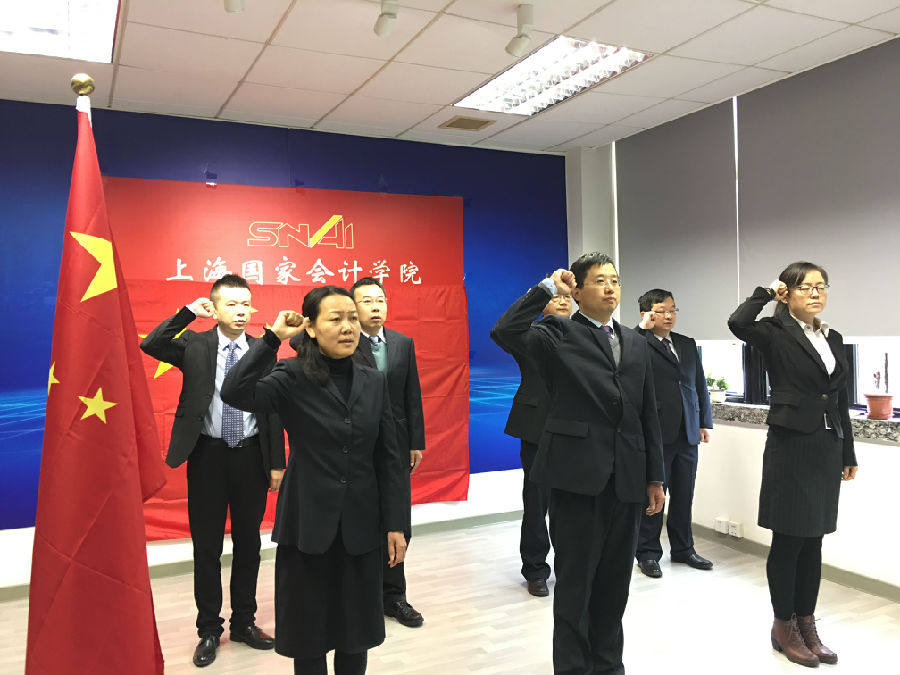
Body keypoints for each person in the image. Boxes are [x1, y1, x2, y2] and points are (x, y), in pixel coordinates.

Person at [492, 252, 665, 675]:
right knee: (575, 586)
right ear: (578, 290)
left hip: (627, 478)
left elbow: (647, 412)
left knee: (614, 585)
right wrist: (548, 288)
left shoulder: (636, 341)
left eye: (615, 280)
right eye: (599, 280)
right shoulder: (558, 333)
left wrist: (655, 477)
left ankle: (608, 665)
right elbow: (505, 330)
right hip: (577, 476)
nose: (610, 287)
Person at [221, 285, 408, 675]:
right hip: (307, 522)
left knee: (356, 633)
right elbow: (235, 391)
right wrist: (272, 338)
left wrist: (396, 523)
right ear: (310, 327)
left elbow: (389, 456)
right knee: (308, 633)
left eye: (352, 318)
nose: (347, 327)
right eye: (335, 319)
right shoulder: (291, 375)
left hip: (361, 522)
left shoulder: (373, 380)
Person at [140, 274, 284, 668]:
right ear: (215, 308)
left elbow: (272, 410)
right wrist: (188, 313)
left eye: (246, 304)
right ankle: (208, 629)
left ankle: (244, 623)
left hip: (251, 456)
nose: (241, 311)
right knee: (207, 548)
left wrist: (276, 462)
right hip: (207, 457)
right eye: (231, 304)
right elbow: (150, 343)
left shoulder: (263, 349)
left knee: (249, 544)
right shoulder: (195, 345)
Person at [728, 262, 858, 668]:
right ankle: (783, 626)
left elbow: (839, 399)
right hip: (790, 446)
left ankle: (806, 623)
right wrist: (767, 293)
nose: (815, 293)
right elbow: (737, 322)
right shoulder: (774, 331)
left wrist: (848, 452)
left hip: (826, 447)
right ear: (788, 293)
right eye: (805, 287)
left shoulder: (833, 337)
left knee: (814, 539)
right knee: (789, 540)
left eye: (821, 286)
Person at [350, 277, 427, 627]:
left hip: (396, 444)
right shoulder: (345, 342)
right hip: (358, 446)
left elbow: (413, 395)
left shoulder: (401, 343)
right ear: (353, 308)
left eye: (380, 300)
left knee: (398, 521)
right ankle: (362, 596)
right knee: (362, 521)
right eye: (366, 301)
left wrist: (415, 441)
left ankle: (395, 596)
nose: (375, 306)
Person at [490, 289, 572, 597]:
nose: (563, 301)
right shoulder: (530, 334)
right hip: (538, 429)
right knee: (537, 504)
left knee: (572, 506)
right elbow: (502, 330)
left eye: (567, 297)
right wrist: (542, 290)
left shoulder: (583, 334)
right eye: (556, 296)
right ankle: (536, 569)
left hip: (576, 431)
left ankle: (570, 566)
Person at [634, 289, 714, 578]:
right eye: (661, 311)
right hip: (656, 432)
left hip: (687, 431)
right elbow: (627, 361)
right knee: (654, 497)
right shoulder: (638, 342)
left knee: (684, 494)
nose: (668, 316)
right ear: (646, 314)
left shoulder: (686, 343)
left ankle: (683, 549)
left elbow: (699, 384)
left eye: (672, 310)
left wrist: (703, 421)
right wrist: (642, 330)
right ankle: (647, 552)